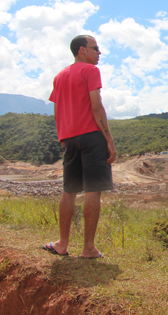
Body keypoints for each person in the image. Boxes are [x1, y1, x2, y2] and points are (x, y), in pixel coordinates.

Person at [43, 34, 116, 259]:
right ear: (82, 50)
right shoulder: (90, 71)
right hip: (91, 137)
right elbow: (96, 107)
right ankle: (88, 248)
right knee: (93, 191)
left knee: (69, 191)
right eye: (96, 48)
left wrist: (62, 137)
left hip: (69, 139)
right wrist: (109, 140)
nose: (99, 52)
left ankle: (62, 244)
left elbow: (57, 110)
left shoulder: (59, 76)